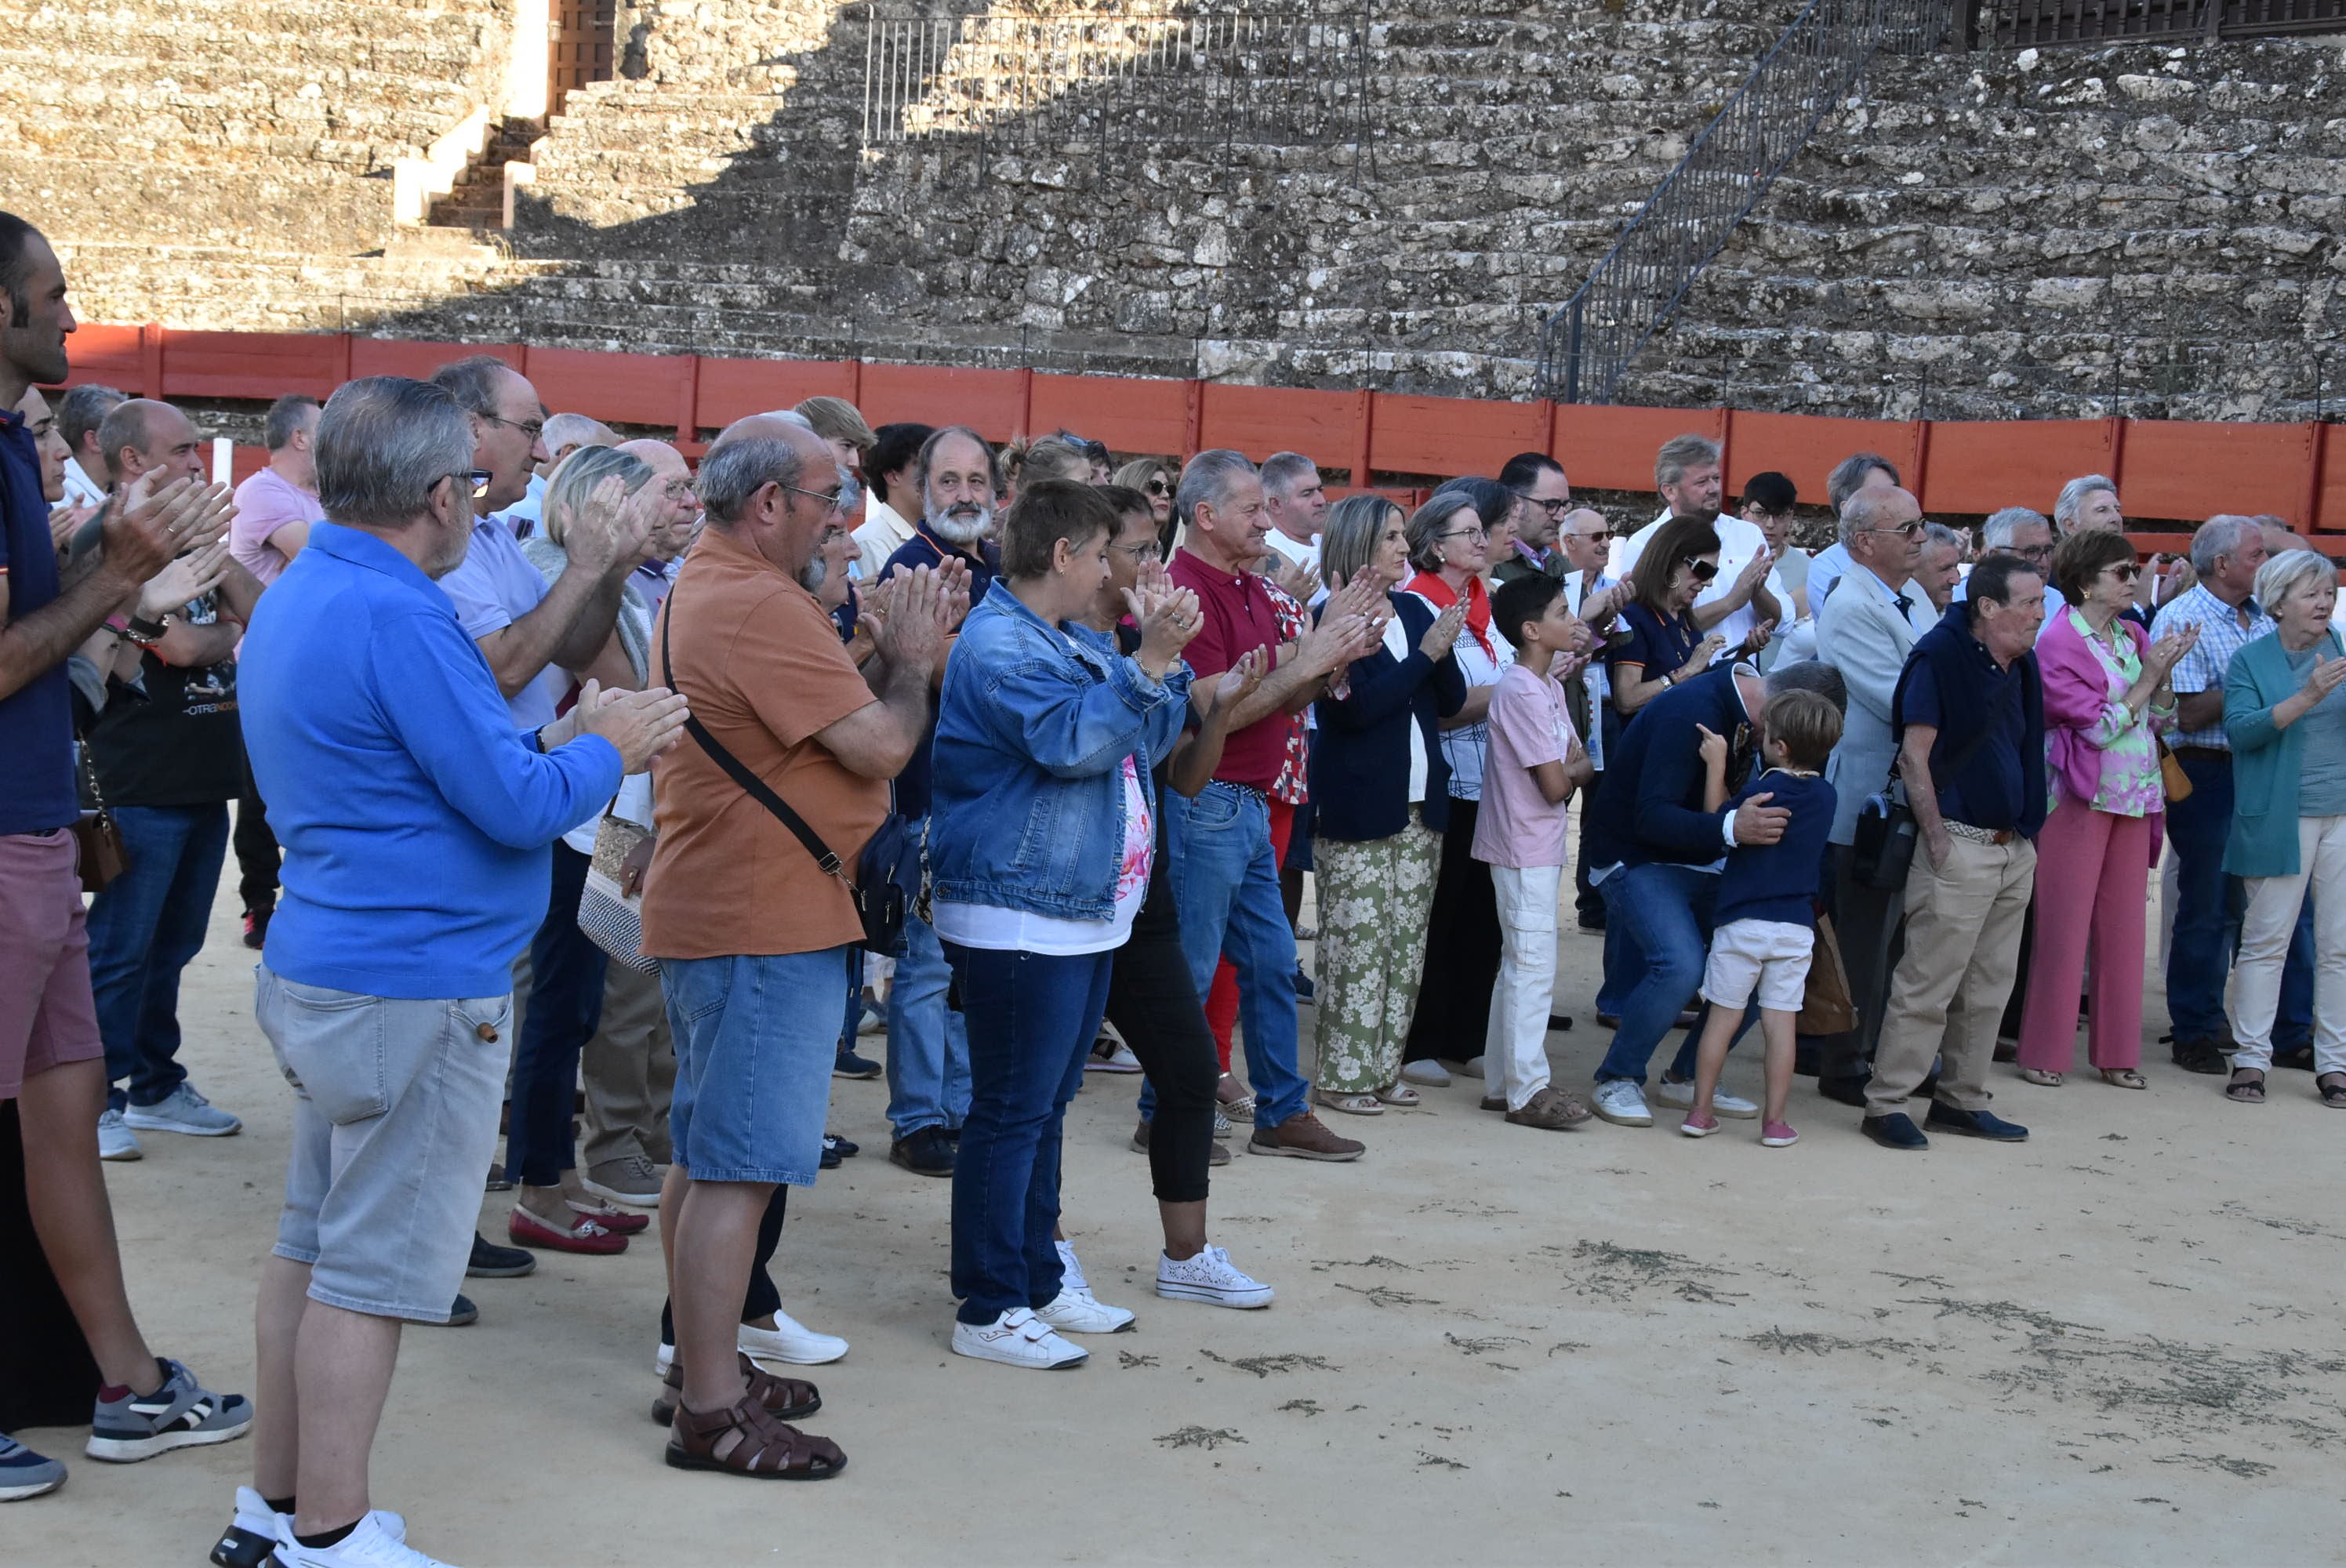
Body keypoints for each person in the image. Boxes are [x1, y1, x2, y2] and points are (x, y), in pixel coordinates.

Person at [232, 374, 687, 1566]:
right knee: (367, 1272)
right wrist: (604, 744)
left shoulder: (315, 585)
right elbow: (508, 801)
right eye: (478, 490)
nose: (484, 507)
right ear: (441, 494)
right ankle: (326, 1532)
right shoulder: (400, 613)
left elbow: (443, 767)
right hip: (409, 984)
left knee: (313, 1245)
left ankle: (276, 1507)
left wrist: (556, 745)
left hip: (341, 962)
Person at [641, 412, 951, 1477]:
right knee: (739, 1166)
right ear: (768, 502)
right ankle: (714, 1410)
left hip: (732, 908)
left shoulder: (712, 582)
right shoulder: (756, 602)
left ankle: (702, 1368)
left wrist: (864, 643)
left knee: (705, 1152)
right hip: (762, 919)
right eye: (830, 498)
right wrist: (910, 659)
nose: (846, 519)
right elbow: (880, 744)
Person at [0, 210, 253, 1510]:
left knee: (66, 1112)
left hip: (31, 829)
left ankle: (122, 1379)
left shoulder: (3, 445)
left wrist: (120, 554)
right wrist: (124, 576)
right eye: (48, 295)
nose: (70, 314)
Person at [929, 481, 1199, 1366]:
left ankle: (1037, 1276)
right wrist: (1149, 659)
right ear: (1062, 555)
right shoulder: (1003, 640)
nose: (1123, 570)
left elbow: (1148, 743)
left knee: (1045, 1104)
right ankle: (988, 1301)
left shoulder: (1070, 637)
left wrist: (1162, 659)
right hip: (1018, 909)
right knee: (1009, 1109)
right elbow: (1074, 745)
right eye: (1108, 553)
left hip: (1075, 908)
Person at [1164, 449, 1378, 1160]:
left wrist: (1328, 658)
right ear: (1205, 516)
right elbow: (1214, 705)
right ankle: (1164, 1111)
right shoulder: (1184, 589)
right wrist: (1311, 658)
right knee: (1194, 972)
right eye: (1253, 510)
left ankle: (1282, 1112)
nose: (1267, 522)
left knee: (1273, 964)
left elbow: (1280, 698)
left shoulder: (1249, 586)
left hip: (1247, 801)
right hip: (1209, 799)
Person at [497, 445, 676, 1254]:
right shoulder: (553, 567)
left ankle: (555, 1173)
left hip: (598, 810)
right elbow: (617, 674)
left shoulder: (613, 578)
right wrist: (604, 566)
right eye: (644, 502)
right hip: (576, 811)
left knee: (577, 1003)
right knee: (559, 1005)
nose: (663, 516)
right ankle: (537, 1181)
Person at [81, 397, 266, 1159]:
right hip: (139, 781)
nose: (198, 462)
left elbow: (266, 613)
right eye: (184, 449)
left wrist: (216, 563)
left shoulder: (195, 542)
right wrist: (221, 635)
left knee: (176, 945)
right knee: (121, 950)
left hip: (198, 779)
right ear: (134, 461)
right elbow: (183, 647)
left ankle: (154, 1083)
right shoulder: (110, 542)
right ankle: (97, 1098)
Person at [1860, 555, 2046, 1151]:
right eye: (2031, 603)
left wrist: (2024, 840)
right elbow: (1915, 756)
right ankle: (1886, 1103)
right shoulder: (1939, 659)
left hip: (2011, 845)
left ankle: (1961, 1099)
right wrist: (1938, 838)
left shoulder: (2020, 663)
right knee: (1928, 982)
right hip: (1960, 845)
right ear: (1989, 607)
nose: (2042, 615)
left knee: (1991, 982)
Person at [2013, 532, 2192, 1091]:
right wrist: (2146, 681)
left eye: (2133, 570)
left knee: (2124, 929)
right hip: (2076, 799)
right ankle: (2043, 1049)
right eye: (2121, 571)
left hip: (2134, 798)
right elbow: (2095, 727)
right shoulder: (2059, 641)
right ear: (2086, 580)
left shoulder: (2131, 633)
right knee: (2064, 928)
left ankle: (2117, 1053)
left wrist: (2159, 682)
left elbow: (2163, 718)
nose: (2133, 580)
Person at [1309, 492, 1468, 1116]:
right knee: (1356, 945)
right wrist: (1426, 655)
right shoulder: (1332, 616)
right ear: (1360, 546)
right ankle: (1341, 1076)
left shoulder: (1412, 607)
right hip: (1358, 804)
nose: (1407, 547)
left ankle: (1380, 1069)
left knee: (1406, 945)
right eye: (1394, 537)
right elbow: (1356, 711)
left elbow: (1450, 701)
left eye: (1404, 537)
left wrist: (1442, 644)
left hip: (1420, 805)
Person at [877, 424, 999, 1177]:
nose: (963, 494)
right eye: (948, 480)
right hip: (928, 800)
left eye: (976, 481)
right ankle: (919, 1117)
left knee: (966, 965)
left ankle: (958, 1106)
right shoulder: (912, 569)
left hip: (987, 803)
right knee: (925, 968)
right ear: (923, 490)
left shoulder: (997, 572)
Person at [2151, 514, 2314, 1074]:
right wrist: (2257, 681)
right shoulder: (2181, 617)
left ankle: (2289, 1031)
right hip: (2209, 771)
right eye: (2256, 556)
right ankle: (2194, 1029)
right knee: (2210, 903)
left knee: (2289, 900)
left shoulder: (2269, 618)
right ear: (2222, 566)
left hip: (2265, 765)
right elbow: (2187, 715)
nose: (2265, 565)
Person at [1810, 485, 1931, 1102]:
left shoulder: (1905, 594)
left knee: (1896, 931)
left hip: (1903, 789)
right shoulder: (1854, 605)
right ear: (1863, 543)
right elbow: (1903, 697)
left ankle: (1879, 1050)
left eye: (1919, 527)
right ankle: (1845, 1061)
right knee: (1861, 935)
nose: (1920, 539)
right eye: (1907, 529)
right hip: (1867, 798)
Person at [1680, 688, 1842, 1146]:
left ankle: (1699, 1111)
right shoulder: (1827, 797)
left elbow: (1719, 822)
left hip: (1742, 923)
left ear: (1780, 746)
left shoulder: (1762, 789)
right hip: (1793, 928)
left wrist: (1716, 766)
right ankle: (1775, 1121)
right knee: (1780, 1024)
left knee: (1721, 1020)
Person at [2220, 549, 2346, 1109]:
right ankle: (2251, 1060)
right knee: (2265, 942)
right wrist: (2308, 697)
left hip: (2342, 813)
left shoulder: (2343, 644)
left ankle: (2336, 1064)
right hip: (2279, 817)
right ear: (2279, 602)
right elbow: (2242, 732)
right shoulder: (2251, 660)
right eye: (2311, 593)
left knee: (2340, 948)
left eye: (2329, 590)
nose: (2325, 601)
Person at [1399, 483, 1511, 1073]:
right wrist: (1509, 693)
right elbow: (1436, 704)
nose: (1482, 540)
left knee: (1481, 917)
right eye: (1468, 532)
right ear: (1437, 547)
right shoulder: (1420, 603)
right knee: (1440, 914)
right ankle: (1422, 1041)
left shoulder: (1483, 606)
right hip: (1450, 778)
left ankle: (1463, 1038)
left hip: (1490, 779)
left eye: (1480, 530)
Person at [1476, 572, 1595, 1130]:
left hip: (1533, 841)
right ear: (1531, 630)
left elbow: (1576, 760)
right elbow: (1559, 780)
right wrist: (1571, 771)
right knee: (1532, 965)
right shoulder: (1522, 688)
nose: (1574, 622)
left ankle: (1505, 1084)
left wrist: (1570, 770)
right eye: (1562, 613)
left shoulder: (1543, 686)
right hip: (1524, 842)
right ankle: (1527, 1089)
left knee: (1518, 965)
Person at [1614, 434, 1778, 652]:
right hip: (1683, 680)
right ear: (1669, 491)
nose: (1714, 488)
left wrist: (1757, 592)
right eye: (1702, 482)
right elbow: (1651, 629)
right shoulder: (1644, 544)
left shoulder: (1748, 534)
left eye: (1716, 479)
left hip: (1743, 673)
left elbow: (1782, 620)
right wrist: (1731, 602)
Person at [1608, 513, 1730, 719]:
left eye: (1713, 573)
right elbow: (1626, 699)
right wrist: (1686, 671)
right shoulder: (1634, 618)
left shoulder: (1683, 617)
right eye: (1702, 570)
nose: (1708, 582)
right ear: (1671, 561)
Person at [1804, 452, 1902, 612]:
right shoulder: (1827, 566)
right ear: (1847, 509)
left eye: (1895, 492)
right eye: (1878, 495)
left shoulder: (1913, 551)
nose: (1894, 502)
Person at [848, 419, 932, 579]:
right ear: (893, 477)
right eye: (926, 468)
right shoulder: (870, 543)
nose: (937, 478)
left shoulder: (940, 534)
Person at [1493, 451, 1571, 584]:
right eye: (1551, 505)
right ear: (1514, 504)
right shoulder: (1488, 563)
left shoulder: (1563, 565)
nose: (1561, 517)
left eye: (1564, 505)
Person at [1259, 450, 1326, 572]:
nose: (1321, 501)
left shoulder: (1326, 542)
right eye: (1307, 494)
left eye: (1320, 490)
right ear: (1276, 504)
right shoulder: (1264, 549)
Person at [1113, 456, 1178, 553]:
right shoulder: (1110, 549)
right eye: (1155, 487)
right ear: (1133, 489)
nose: (1166, 495)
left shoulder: (1174, 550)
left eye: (1169, 489)